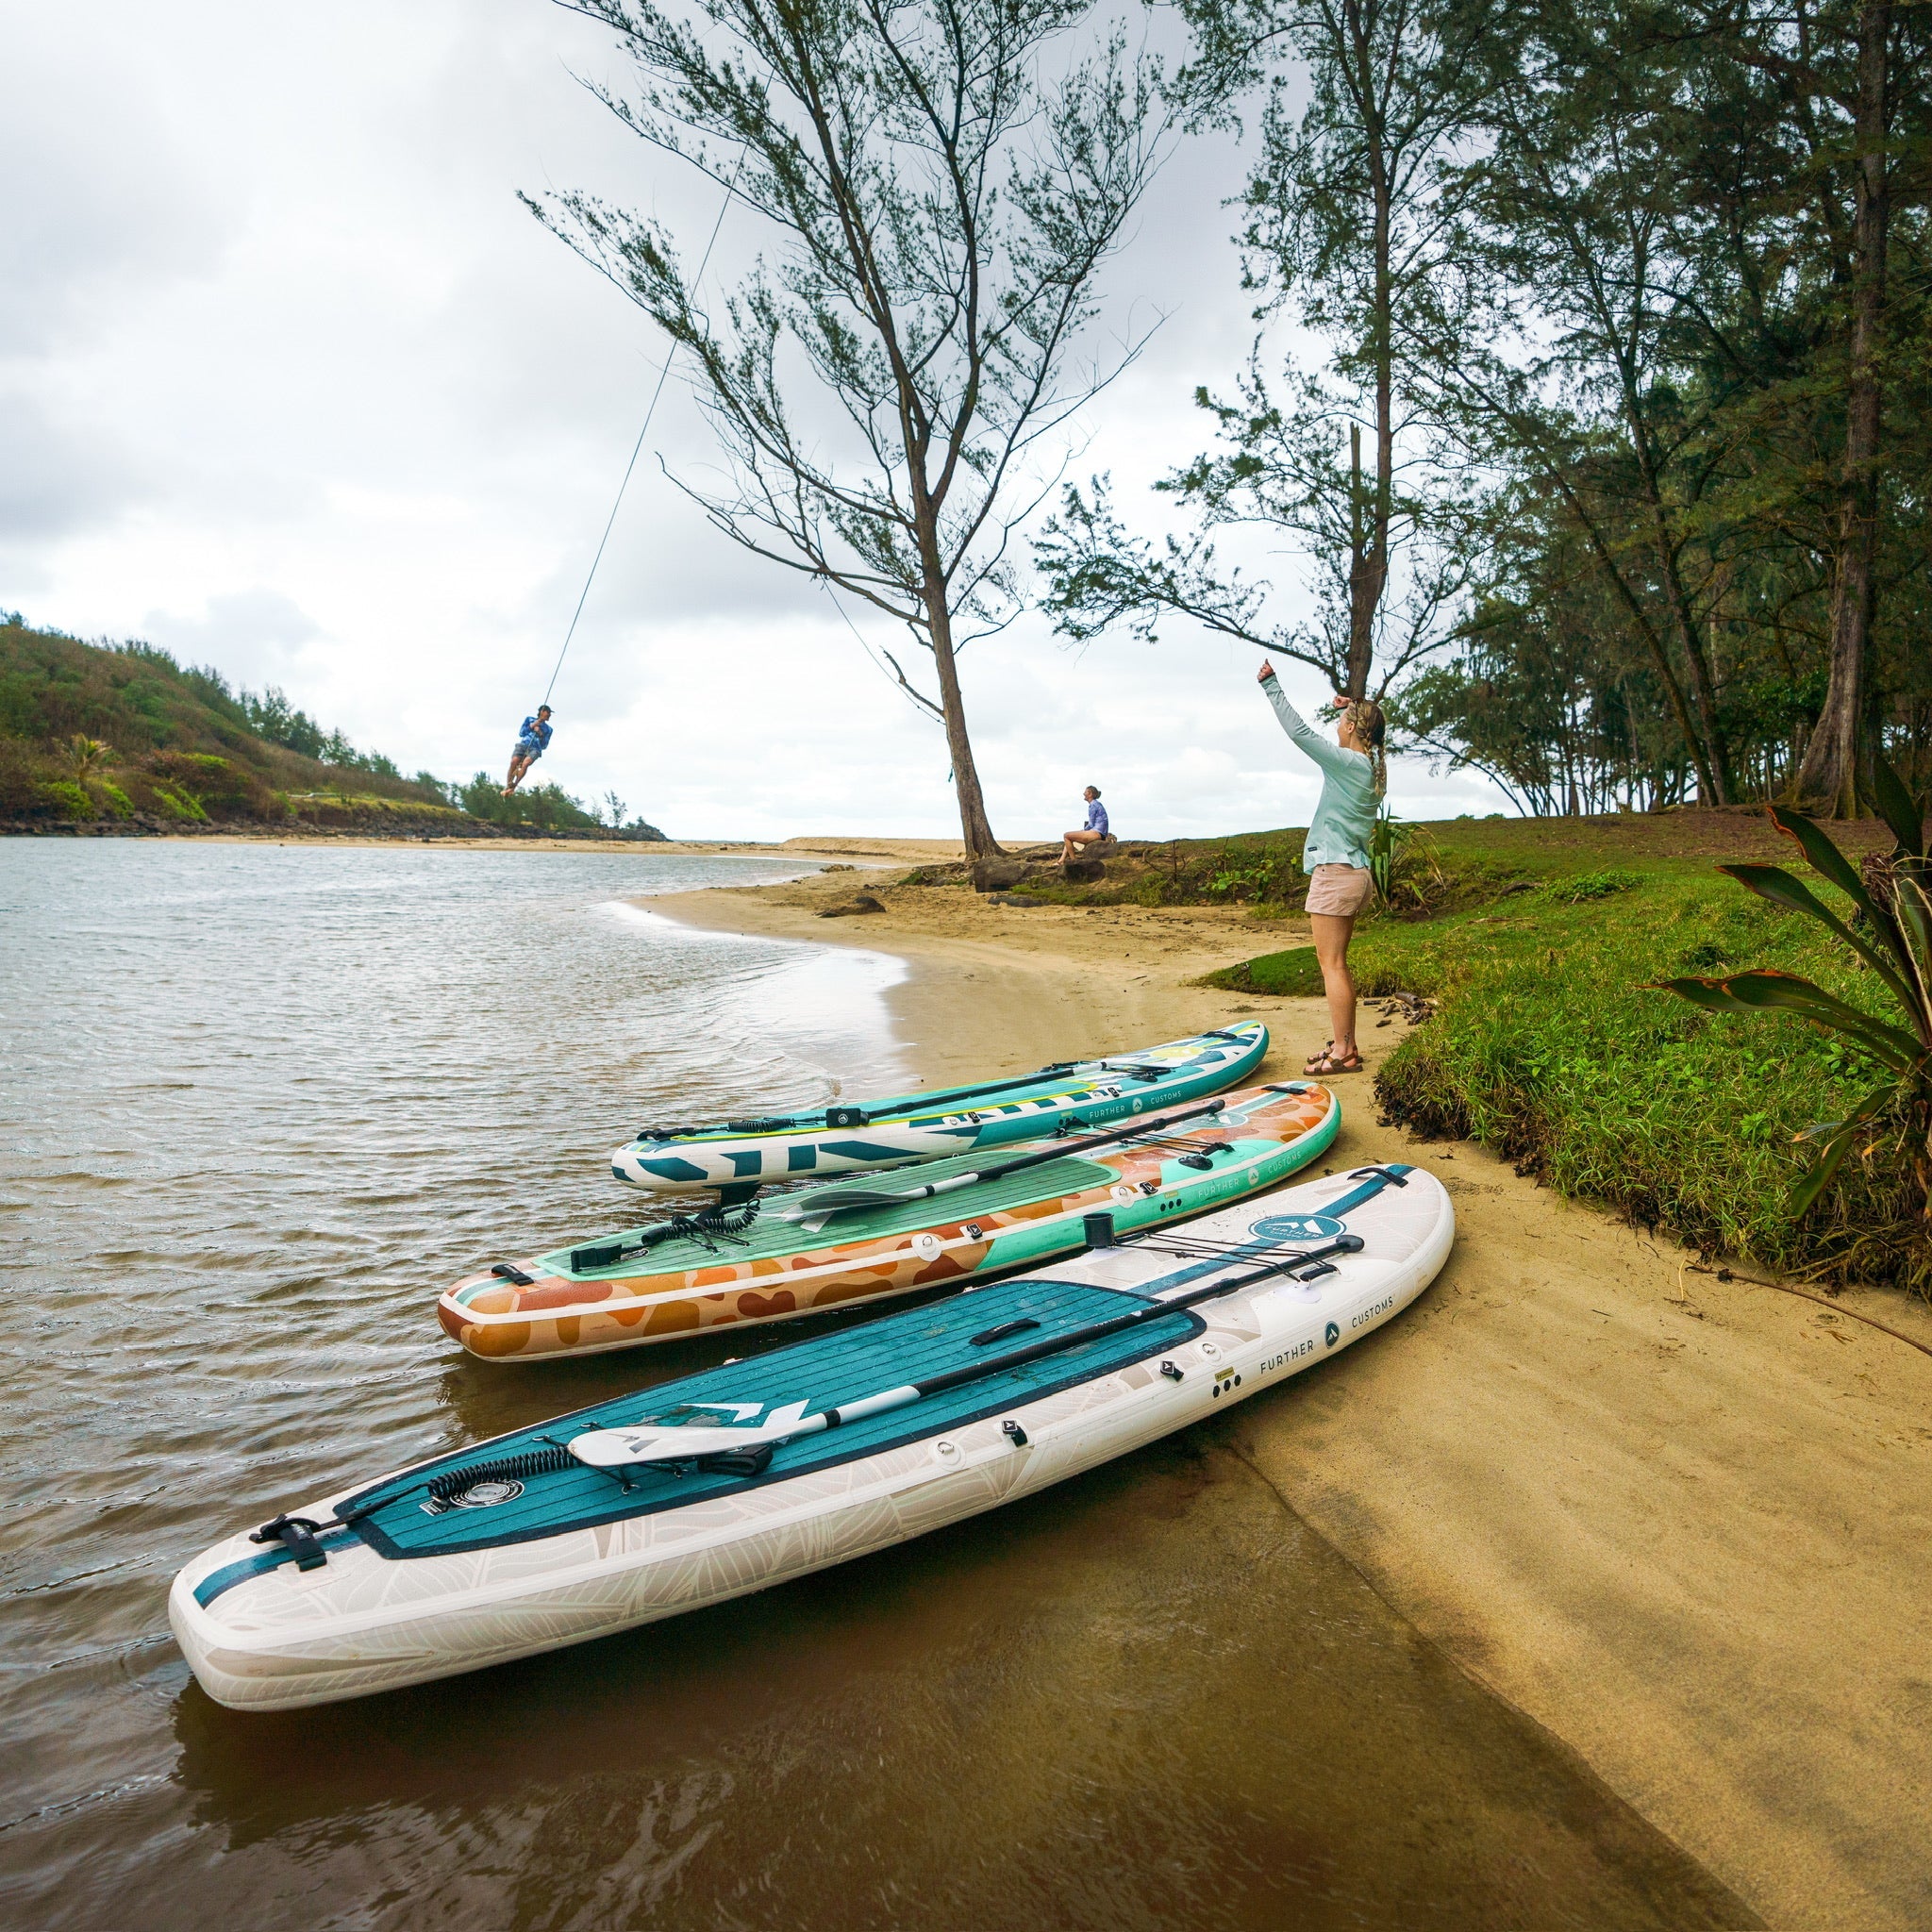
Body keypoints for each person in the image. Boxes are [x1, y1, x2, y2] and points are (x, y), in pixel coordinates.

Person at [1256, 659, 1387, 1076]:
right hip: (1354, 873)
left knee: (1332, 965)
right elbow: (1363, 736)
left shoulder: (1348, 764)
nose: (1337, 726)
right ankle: (1344, 1043)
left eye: (1344, 721)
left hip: (1336, 873)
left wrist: (1271, 686)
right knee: (1338, 963)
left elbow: (1299, 733)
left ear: (1352, 728)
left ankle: (1344, 1052)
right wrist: (1351, 708)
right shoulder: (1372, 767)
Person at [503, 705, 554, 796]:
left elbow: (544, 745)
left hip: (535, 748)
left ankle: (514, 785)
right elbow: (521, 733)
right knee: (514, 761)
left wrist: (540, 734)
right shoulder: (529, 719)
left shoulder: (549, 729)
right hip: (524, 744)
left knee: (526, 763)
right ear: (542, 712)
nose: (549, 715)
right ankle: (509, 784)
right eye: (548, 712)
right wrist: (533, 725)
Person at [1060, 786, 1110, 865]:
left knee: (1066, 835)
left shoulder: (1093, 805)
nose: (1083, 793)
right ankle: (1061, 860)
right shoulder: (1097, 804)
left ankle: (1074, 862)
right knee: (1071, 836)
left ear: (1090, 794)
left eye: (1085, 792)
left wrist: (1083, 830)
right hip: (1100, 833)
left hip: (1096, 832)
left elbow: (1091, 824)